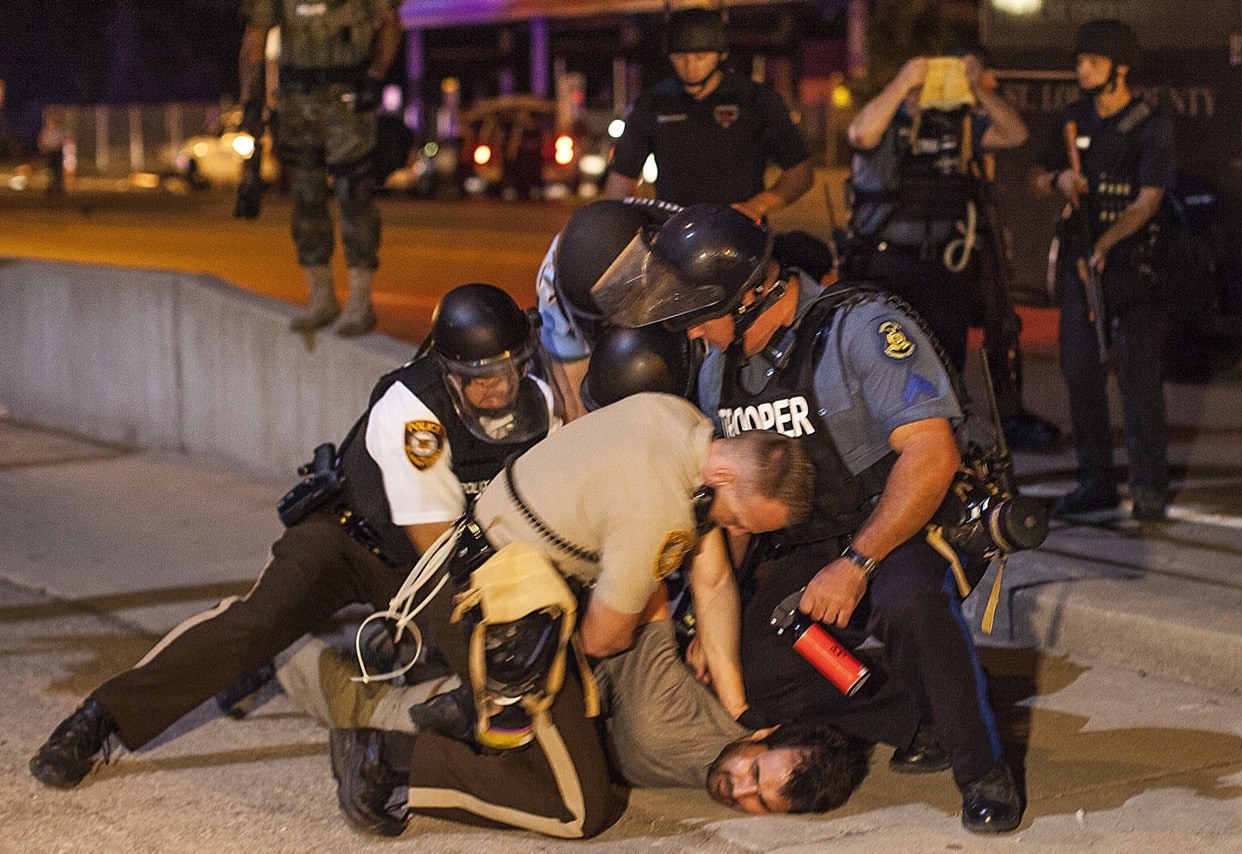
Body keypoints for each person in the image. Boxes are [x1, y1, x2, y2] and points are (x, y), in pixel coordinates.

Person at [591, 203, 1024, 834]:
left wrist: (856, 564)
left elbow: (933, 456)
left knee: (908, 601)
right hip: (804, 541)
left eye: (695, 317)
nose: (688, 334)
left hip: (898, 523)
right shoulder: (721, 370)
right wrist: (711, 621)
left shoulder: (861, 329)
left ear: (745, 298)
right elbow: (735, 516)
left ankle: (980, 766)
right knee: (750, 675)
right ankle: (918, 713)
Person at [28, 283, 557, 790]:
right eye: (481, 375)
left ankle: (353, 665)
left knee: (500, 683)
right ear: (447, 371)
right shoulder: (411, 408)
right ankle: (100, 720)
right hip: (352, 541)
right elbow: (436, 547)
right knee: (252, 629)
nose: (501, 387)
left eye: (510, 368)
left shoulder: (539, 401)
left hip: (438, 556)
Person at [327, 392, 817, 836]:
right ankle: (385, 761)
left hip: (487, 567)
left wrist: (734, 707)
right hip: (498, 616)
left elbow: (712, 581)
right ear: (724, 478)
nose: (730, 528)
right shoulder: (659, 510)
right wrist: (567, 697)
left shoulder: (679, 419)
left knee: (559, 745)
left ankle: (473, 716)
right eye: (735, 518)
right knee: (579, 809)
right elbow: (602, 639)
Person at [273, 606, 862, 816]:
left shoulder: (716, 763)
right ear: (764, 733)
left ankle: (363, 673)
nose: (740, 791)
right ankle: (273, 651)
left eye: (760, 803)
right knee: (372, 711)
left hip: (547, 724)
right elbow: (653, 598)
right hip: (533, 682)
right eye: (754, 773)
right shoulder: (686, 710)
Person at [845, 47, 1060, 451]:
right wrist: (903, 82)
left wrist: (977, 87)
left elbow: (1015, 133)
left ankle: (943, 451)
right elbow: (861, 134)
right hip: (883, 264)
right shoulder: (887, 121)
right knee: (881, 366)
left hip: (939, 265)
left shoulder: (956, 127)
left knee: (945, 363)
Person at [1032, 19, 1175, 521]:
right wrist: (1059, 178)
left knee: (1138, 379)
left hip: (1132, 270)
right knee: (1080, 374)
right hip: (1080, 268)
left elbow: (1149, 199)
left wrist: (1109, 241)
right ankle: (1095, 481)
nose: (1082, 69)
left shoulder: (1148, 124)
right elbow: (1035, 175)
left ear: (1120, 67)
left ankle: (1150, 484)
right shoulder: (1072, 119)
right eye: (1080, 60)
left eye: (1091, 61)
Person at [238, 0, 403, 336]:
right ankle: (321, 295)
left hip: (348, 100)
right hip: (298, 102)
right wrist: (251, 101)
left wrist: (375, 75)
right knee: (306, 199)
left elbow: (390, 24)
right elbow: (254, 40)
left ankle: (360, 301)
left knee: (353, 195)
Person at [603, 7, 814, 221]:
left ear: (721, 54)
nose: (690, 66)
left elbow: (800, 171)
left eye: (701, 56)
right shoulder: (654, 102)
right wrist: (634, 222)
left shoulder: (754, 99)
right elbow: (620, 180)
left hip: (740, 232)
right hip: (674, 234)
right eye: (681, 56)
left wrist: (757, 206)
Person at [535, 196, 682, 421]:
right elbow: (575, 407)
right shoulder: (554, 285)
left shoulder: (684, 255)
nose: (616, 329)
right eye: (603, 324)